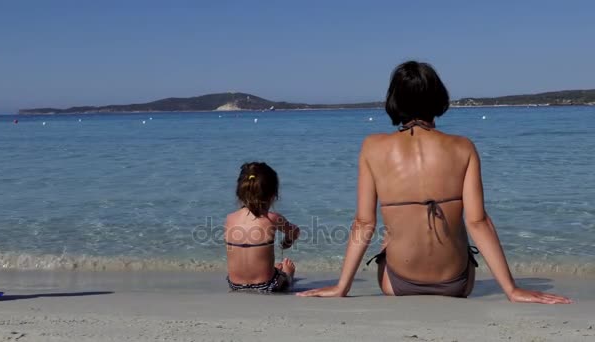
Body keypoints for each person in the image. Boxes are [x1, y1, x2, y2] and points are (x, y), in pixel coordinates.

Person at [298, 61, 571, 304]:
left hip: (396, 283)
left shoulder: (372, 147)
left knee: (387, 237)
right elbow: (478, 222)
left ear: (394, 100)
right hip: (457, 283)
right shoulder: (463, 147)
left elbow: (364, 223)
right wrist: (511, 289)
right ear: (439, 97)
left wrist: (341, 287)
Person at [225, 162, 300, 293]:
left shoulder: (229, 218)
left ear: (240, 193)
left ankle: (271, 270)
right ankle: (288, 275)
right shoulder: (272, 218)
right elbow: (295, 231)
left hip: (234, 285)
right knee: (286, 272)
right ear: (273, 195)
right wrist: (288, 241)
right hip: (266, 285)